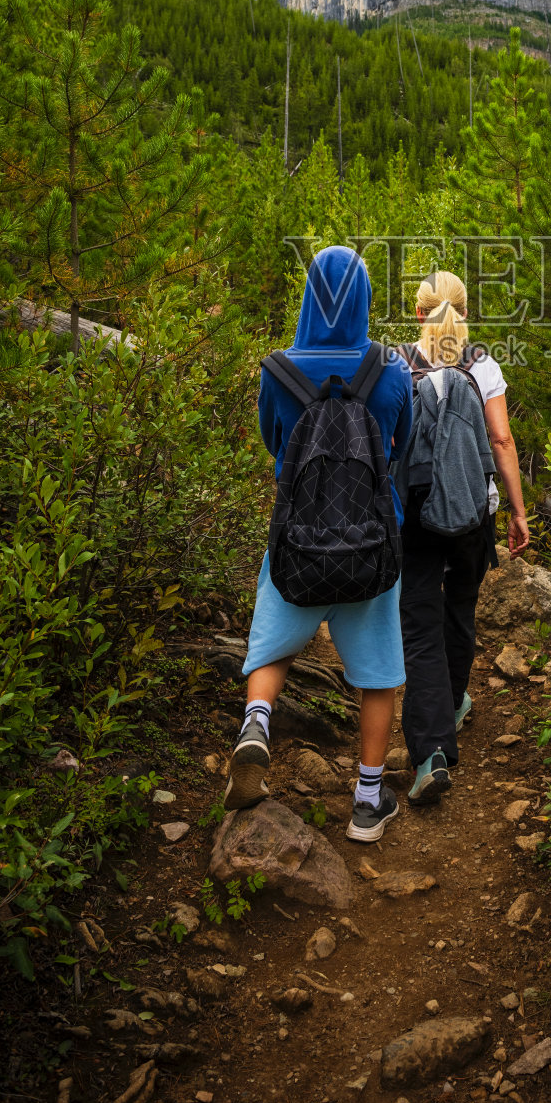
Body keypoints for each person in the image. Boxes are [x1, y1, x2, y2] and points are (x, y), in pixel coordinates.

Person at [225, 246, 413, 842]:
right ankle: (366, 800)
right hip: (371, 544)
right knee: (378, 673)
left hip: (298, 541)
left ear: (310, 294)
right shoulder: (390, 370)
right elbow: (399, 446)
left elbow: (272, 443)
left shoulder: (277, 370)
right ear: (361, 297)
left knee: (271, 649)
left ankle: (257, 724)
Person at [396, 270, 530, 805]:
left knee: (421, 622)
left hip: (417, 514)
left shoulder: (395, 363)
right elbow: (501, 439)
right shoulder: (485, 364)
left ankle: (430, 752)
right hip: (475, 513)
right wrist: (518, 511)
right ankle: (453, 703)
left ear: (419, 314)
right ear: (466, 313)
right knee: (461, 609)